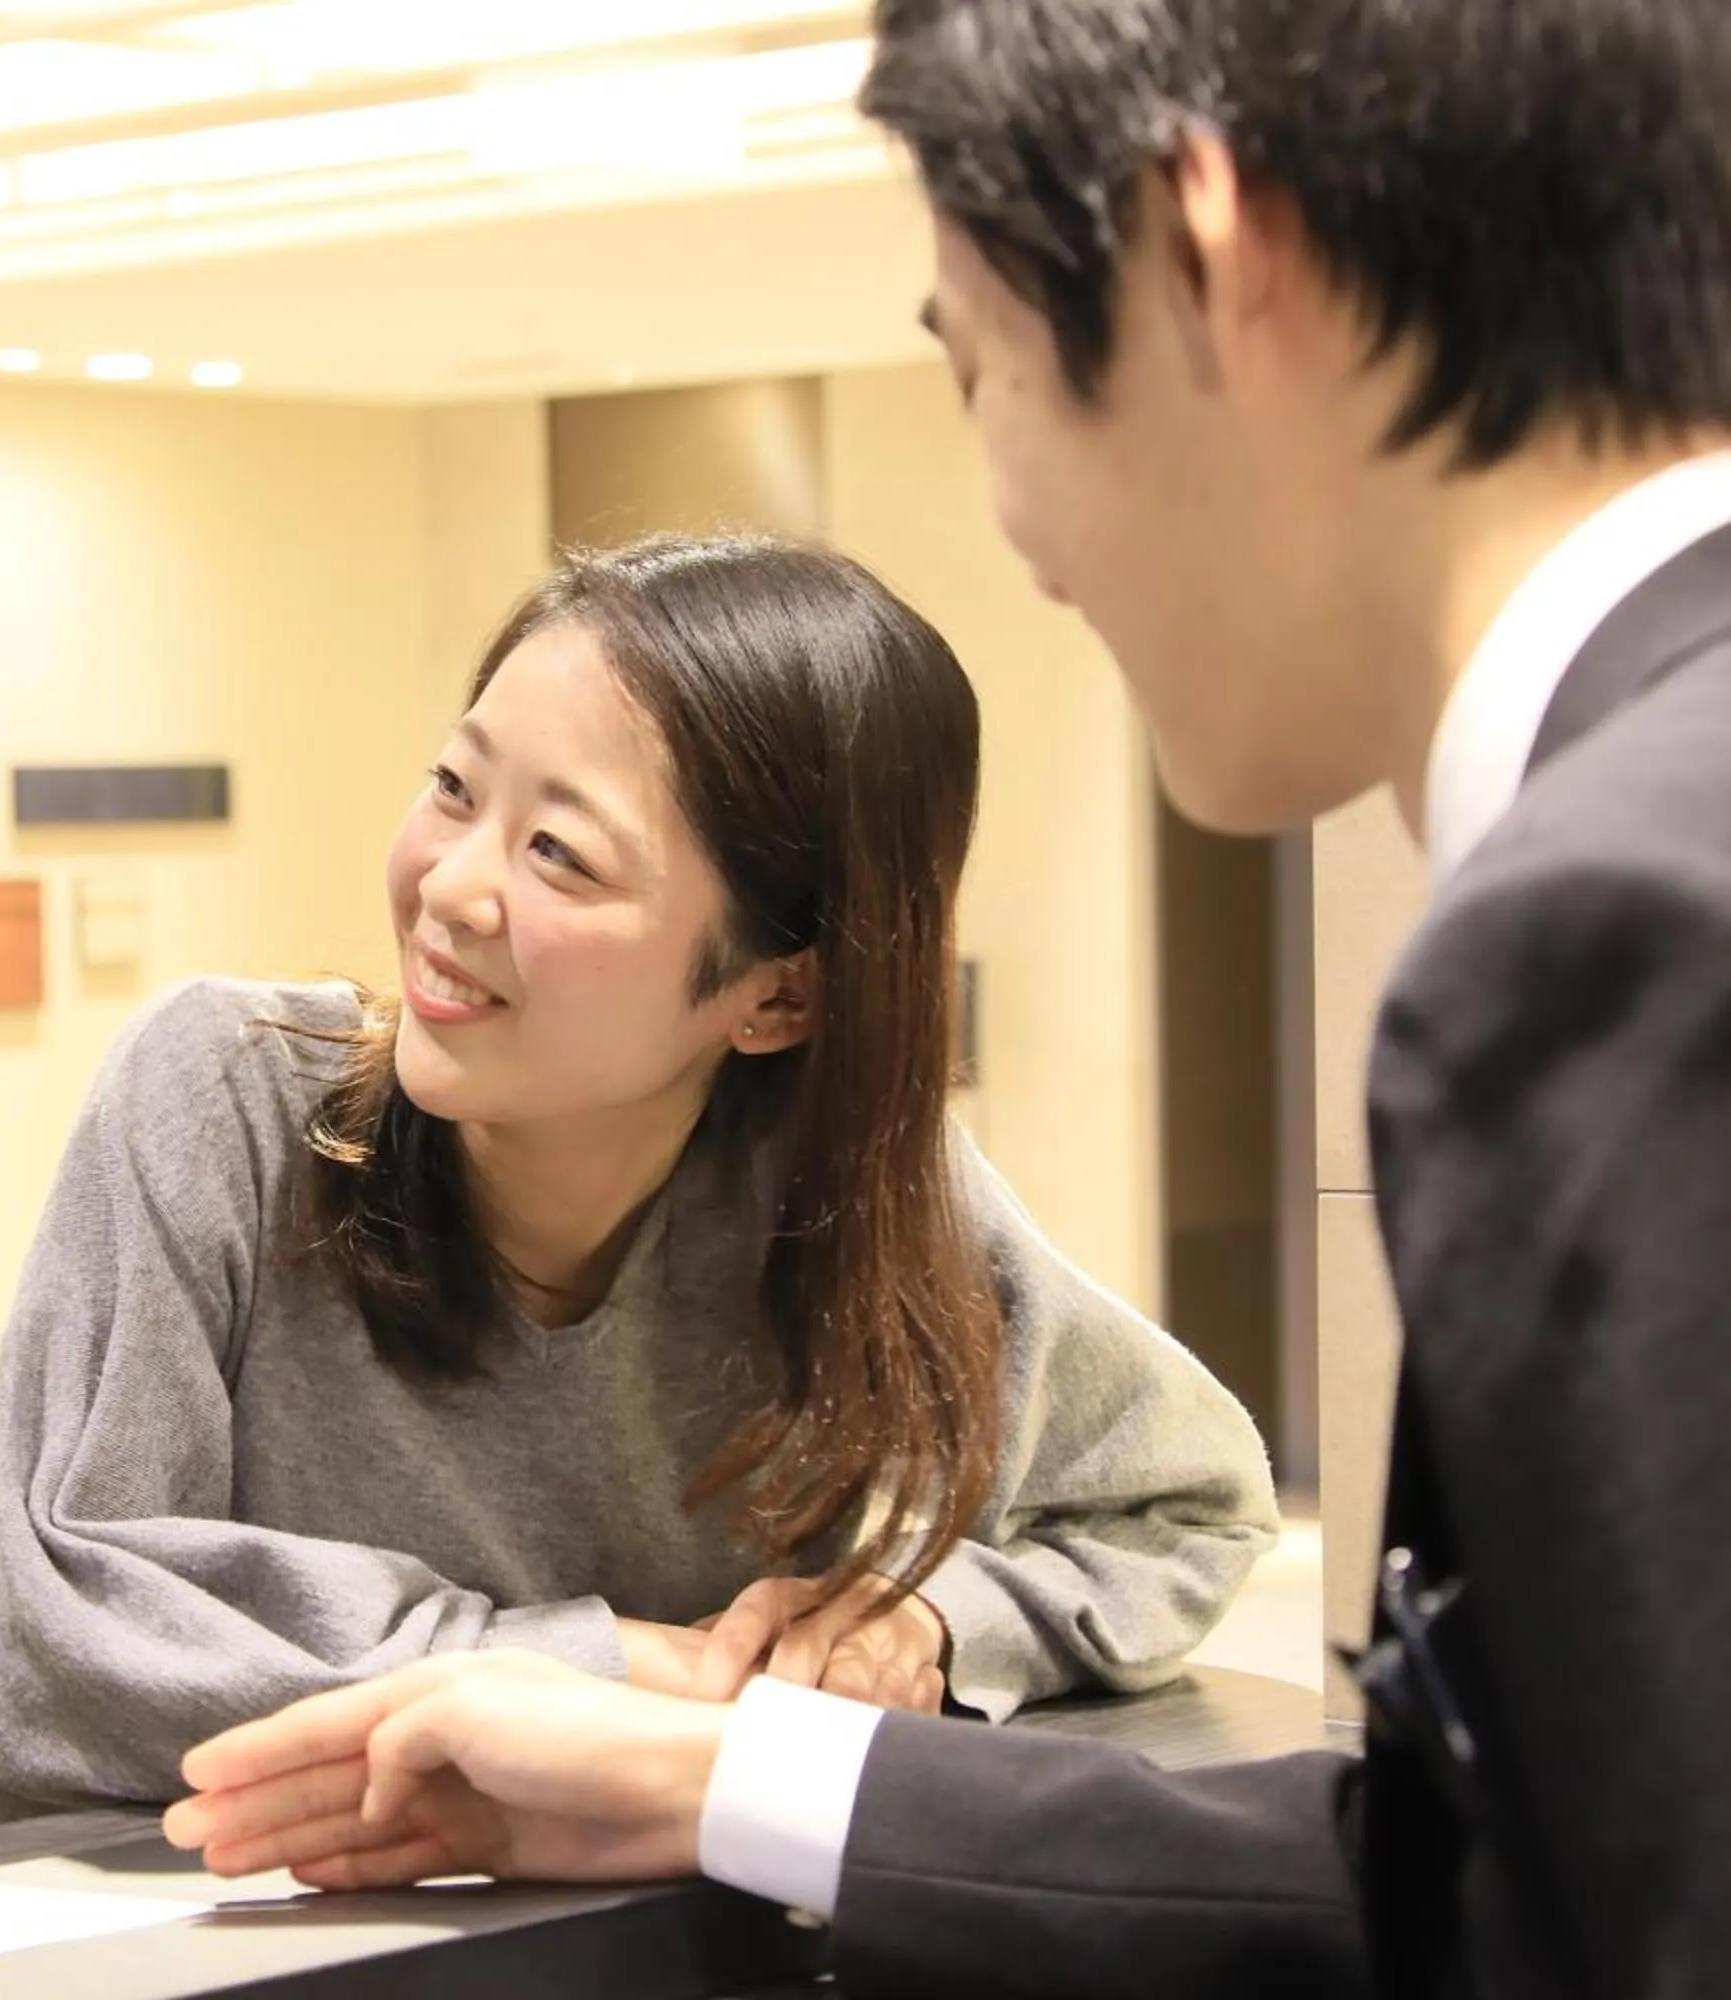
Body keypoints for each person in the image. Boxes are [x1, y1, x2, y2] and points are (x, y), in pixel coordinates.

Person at [166, 2, 1731, 1995]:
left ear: (1198, 254)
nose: (1014, 523)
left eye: (981, 365)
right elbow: (1507, 1861)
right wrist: (740, 1775)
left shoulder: (1627, 931)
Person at [0, 532, 1278, 1814]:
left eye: (559, 856)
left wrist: (927, 1620)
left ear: (778, 994)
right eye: (457, 789)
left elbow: (1185, 1505)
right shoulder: (221, 1097)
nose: (451, 888)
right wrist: (606, 1669)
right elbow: (46, 1640)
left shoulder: (850, 1184)